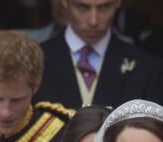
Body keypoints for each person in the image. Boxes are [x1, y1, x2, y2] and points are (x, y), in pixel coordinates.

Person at [33, 0, 163, 109]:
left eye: (104, 7)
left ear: (118, 2)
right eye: (82, 7)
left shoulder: (147, 68)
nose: (93, 21)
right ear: (64, 2)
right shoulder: (35, 62)